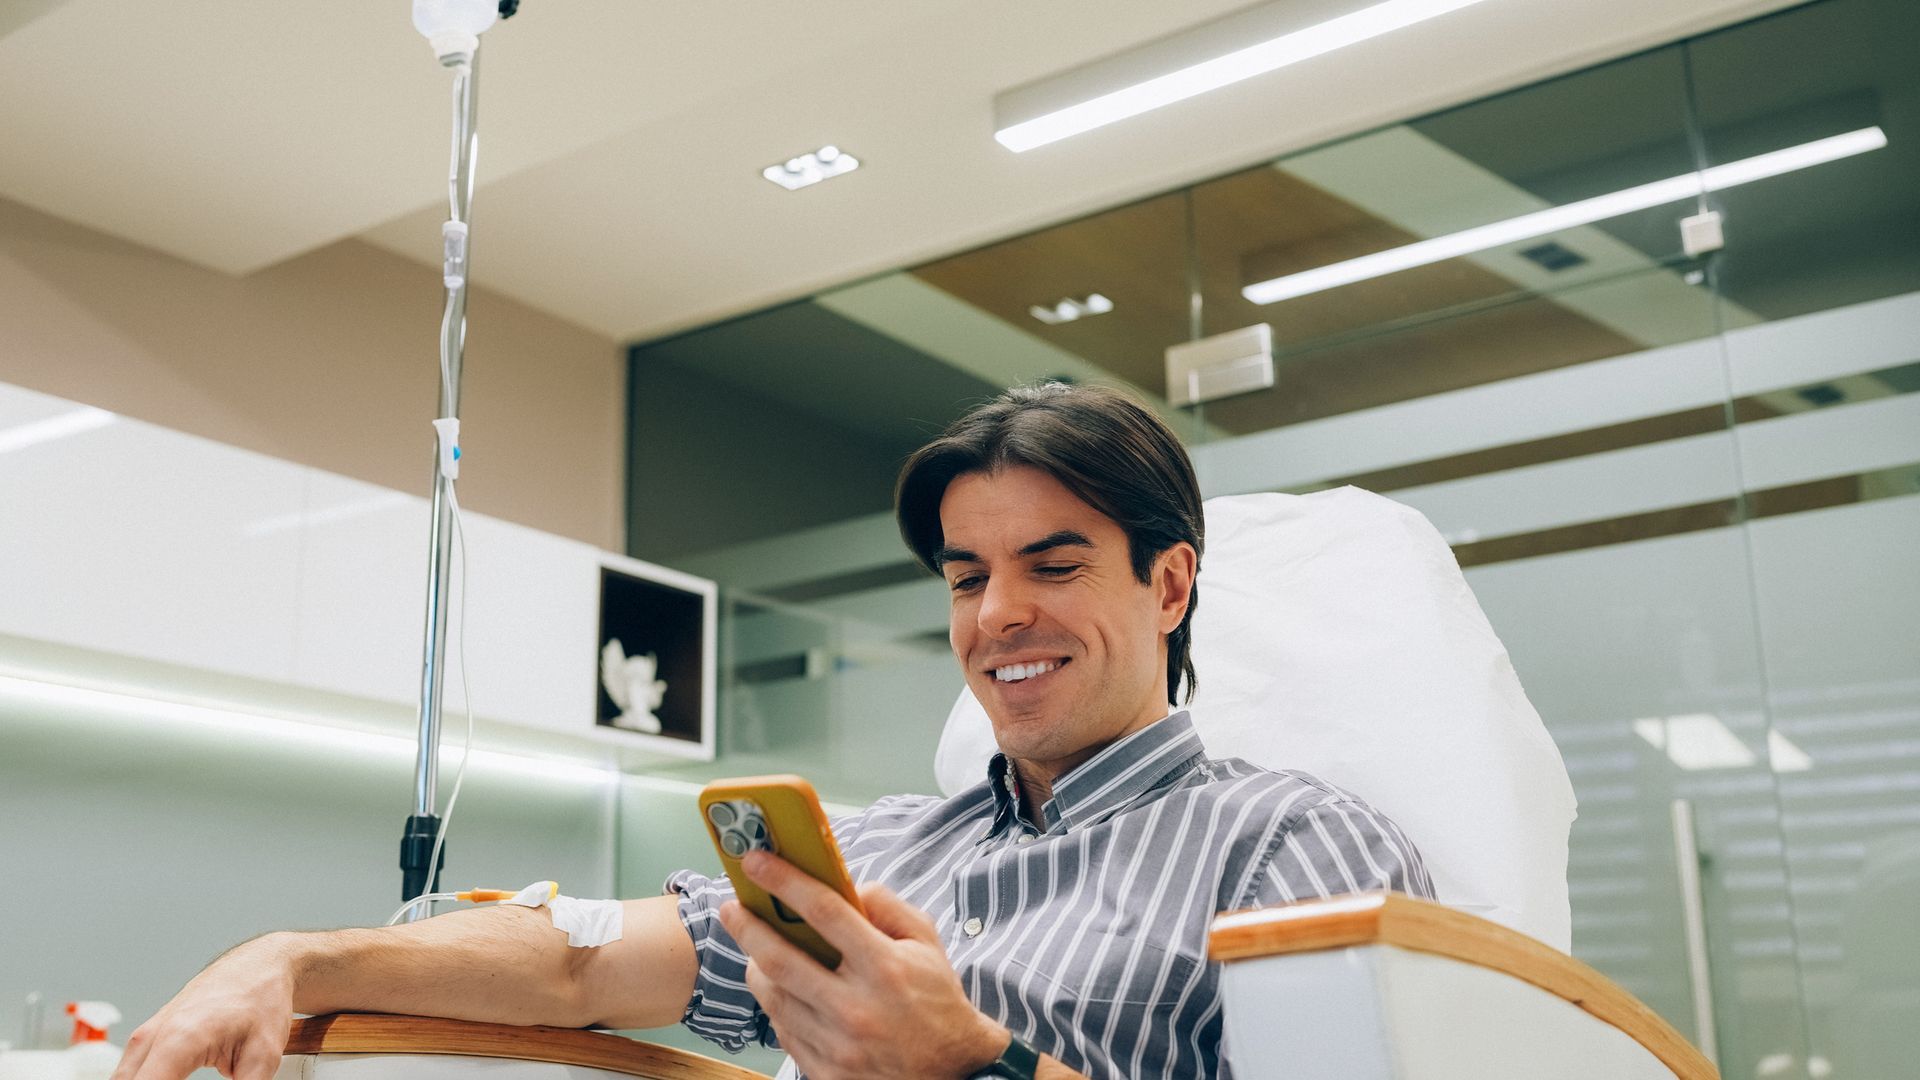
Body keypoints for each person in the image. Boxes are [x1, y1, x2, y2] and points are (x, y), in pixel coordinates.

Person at [114, 383, 1432, 1080]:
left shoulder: (1296, 846)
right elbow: (576, 964)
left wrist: (978, 1068)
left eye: (1055, 564)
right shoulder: (869, 861)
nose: (1002, 615)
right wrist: (288, 962)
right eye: (969, 579)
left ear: (1170, 583)